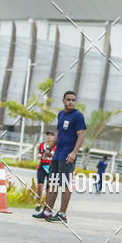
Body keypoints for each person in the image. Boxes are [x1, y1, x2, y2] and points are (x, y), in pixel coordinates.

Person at [38, 91, 86, 224]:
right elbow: (58, 134)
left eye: (73, 100)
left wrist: (74, 152)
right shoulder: (61, 114)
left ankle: (62, 214)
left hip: (67, 156)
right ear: (63, 101)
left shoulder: (78, 116)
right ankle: (47, 212)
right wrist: (49, 148)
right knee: (52, 183)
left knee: (65, 184)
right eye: (68, 99)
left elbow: (81, 135)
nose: (71, 102)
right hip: (57, 154)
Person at [32, 129, 56, 216]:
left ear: (54, 137)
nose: (49, 136)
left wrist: (50, 155)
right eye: (48, 135)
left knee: (48, 188)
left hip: (51, 167)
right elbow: (39, 154)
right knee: (40, 185)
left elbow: (54, 156)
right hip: (42, 167)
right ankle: (38, 203)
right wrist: (39, 156)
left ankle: (46, 205)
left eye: (51, 135)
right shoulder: (42, 145)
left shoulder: (55, 146)